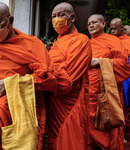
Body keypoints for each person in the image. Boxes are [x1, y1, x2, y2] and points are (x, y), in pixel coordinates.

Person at [0, 2, 62, 150]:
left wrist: (11, 83)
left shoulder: (32, 44)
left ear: (11, 20)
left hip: (15, 107)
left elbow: (48, 78)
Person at [47, 2, 92, 150]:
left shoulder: (81, 40)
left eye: (60, 15)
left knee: (71, 141)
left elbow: (68, 79)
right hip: (53, 102)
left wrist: (45, 73)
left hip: (71, 102)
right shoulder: (55, 44)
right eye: (53, 16)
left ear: (72, 18)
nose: (56, 19)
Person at [87, 14, 130, 150]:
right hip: (87, 93)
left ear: (103, 24)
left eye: (94, 22)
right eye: (88, 24)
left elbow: (124, 65)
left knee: (108, 124)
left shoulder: (113, 41)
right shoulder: (85, 43)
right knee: (88, 127)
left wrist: (100, 62)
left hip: (106, 92)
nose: (91, 26)